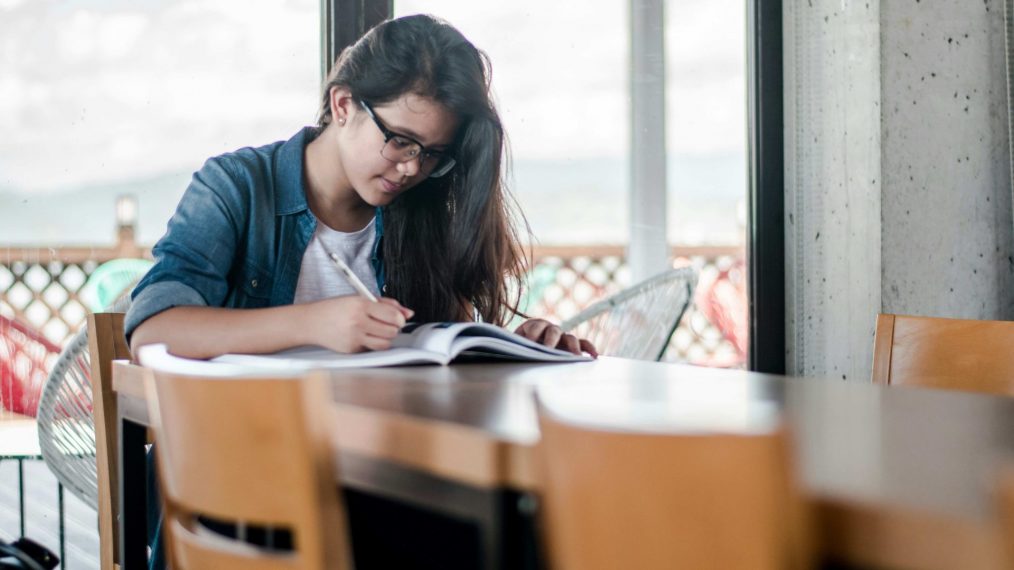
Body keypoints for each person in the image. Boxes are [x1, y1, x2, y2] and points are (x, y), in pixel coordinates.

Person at [126, 14, 597, 359]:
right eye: (401, 141)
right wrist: (314, 322)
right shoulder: (237, 187)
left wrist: (521, 346)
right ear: (345, 104)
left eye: (432, 153)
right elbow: (153, 330)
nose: (413, 168)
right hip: (236, 459)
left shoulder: (420, 211)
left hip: (368, 458)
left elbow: (446, 353)